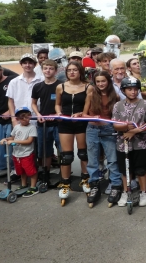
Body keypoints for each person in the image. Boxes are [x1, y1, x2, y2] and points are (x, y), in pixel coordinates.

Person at [112, 77, 146, 207]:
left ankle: (144, 192)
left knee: (141, 169)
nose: (133, 92)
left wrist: (135, 131)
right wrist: (125, 127)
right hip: (123, 143)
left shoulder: (145, 104)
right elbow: (115, 124)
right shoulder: (118, 105)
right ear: (123, 90)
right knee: (125, 169)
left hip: (141, 143)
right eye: (129, 89)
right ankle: (126, 192)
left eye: (135, 89)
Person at [82, 71, 122, 207]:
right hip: (92, 129)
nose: (100, 84)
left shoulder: (115, 96)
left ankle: (116, 185)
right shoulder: (91, 94)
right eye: (97, 81)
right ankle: (94, 185)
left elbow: (117, 116)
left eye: (103, 81)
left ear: (108, 81)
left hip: (108, 129)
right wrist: (94, 118)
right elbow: (84, 114)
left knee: (112, 159)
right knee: (92, 159)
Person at [55, 61, 90, 203]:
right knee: (66, 156)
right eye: (69, 70)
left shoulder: (88, 87)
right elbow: (57, 104)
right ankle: (65, 183)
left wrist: (81, 114)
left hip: (81, 123)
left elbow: (88, 108)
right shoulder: (60, 87)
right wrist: (59, 114)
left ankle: (85, 179)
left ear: (80, 71)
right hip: (65, 123)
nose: (72, 72)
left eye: (75, 70)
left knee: (83, 153)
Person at [31, 59, 62, 176]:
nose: (48, 71)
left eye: (51, 68)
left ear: (55, 70)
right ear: (42, 70)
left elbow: (65, 104)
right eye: (45, 68)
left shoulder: (61, 85)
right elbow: (33, 103)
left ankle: (64, 175)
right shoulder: (38, 86)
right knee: (44, 152)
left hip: (58, 123)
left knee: (62, 150)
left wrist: (57, 114)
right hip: (43, 124)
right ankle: (46, 174)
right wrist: (38, 114)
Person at [0, 107, 39, 197]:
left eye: (27, 117)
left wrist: (15, 141)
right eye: (22, 118)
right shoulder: (17, 127)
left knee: (31, 171)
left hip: (27, 154)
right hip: (16, 154)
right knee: (21, 171)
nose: (25, 119)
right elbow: (12, 137)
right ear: (17, 119)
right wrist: (5, 139)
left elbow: (29, 141)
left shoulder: (32, 127)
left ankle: (33, 187)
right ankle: (24, 185)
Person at [6, 54, 43, 129]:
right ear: (21, 65)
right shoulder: (14, 82)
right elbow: (10, 101)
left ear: (35, 64)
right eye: (25, 63)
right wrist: (13, 119)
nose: (27, 65)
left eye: (30, 63)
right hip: (20, 120)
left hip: (38, 119)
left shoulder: (42, 80)